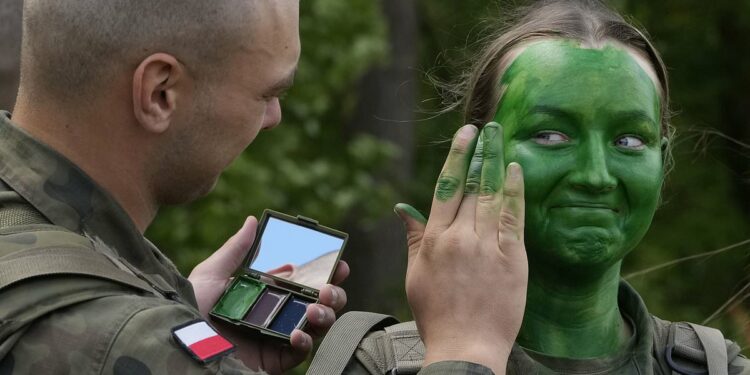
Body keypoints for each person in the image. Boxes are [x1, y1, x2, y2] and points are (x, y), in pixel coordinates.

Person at [0, 0, 528, 374]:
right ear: (160, 93)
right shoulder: (132, 342)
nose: (274, 117)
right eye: (266, 92)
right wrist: (467, 346)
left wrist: (179, 311)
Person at [329, 0, 750, 374]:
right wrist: (462, 355)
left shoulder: (720, 367)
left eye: (628, 141)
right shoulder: (372, 364)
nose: (595, 176)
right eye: (551, 136)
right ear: (476, 155)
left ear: (661, 161)